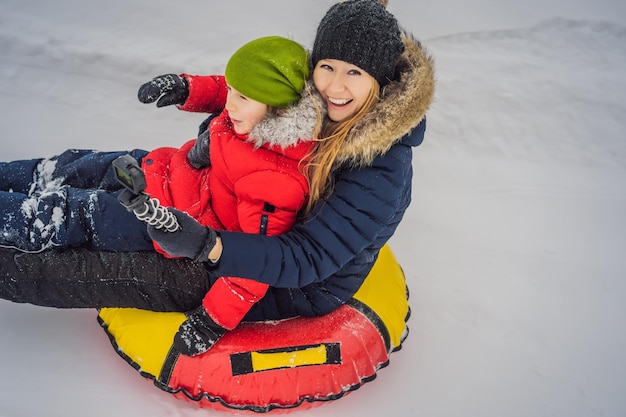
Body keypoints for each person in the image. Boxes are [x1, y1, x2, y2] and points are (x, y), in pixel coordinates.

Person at [0, 0, 435, 355]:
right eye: (327, 67)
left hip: (277, 278)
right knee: (90, 165)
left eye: (354, 73)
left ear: (378, 79)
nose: (333, 86)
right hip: (214, 200)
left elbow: (306, 258)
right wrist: (193, 91)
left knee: (80, 257)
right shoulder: (317, 98)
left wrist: (208, 248)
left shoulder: (380, 170)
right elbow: (255, 88)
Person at [1, 36, 319, 355]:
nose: (231, 103)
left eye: (243, 97)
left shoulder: (274, 182)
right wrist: (189, 88)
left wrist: (211, 321)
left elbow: (255, 264)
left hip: (160, 218)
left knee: (67, 213)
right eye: (233, 91)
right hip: (161, 168)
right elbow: (228, 90)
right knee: (72, 165)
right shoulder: (254, 112)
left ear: (278, 110)